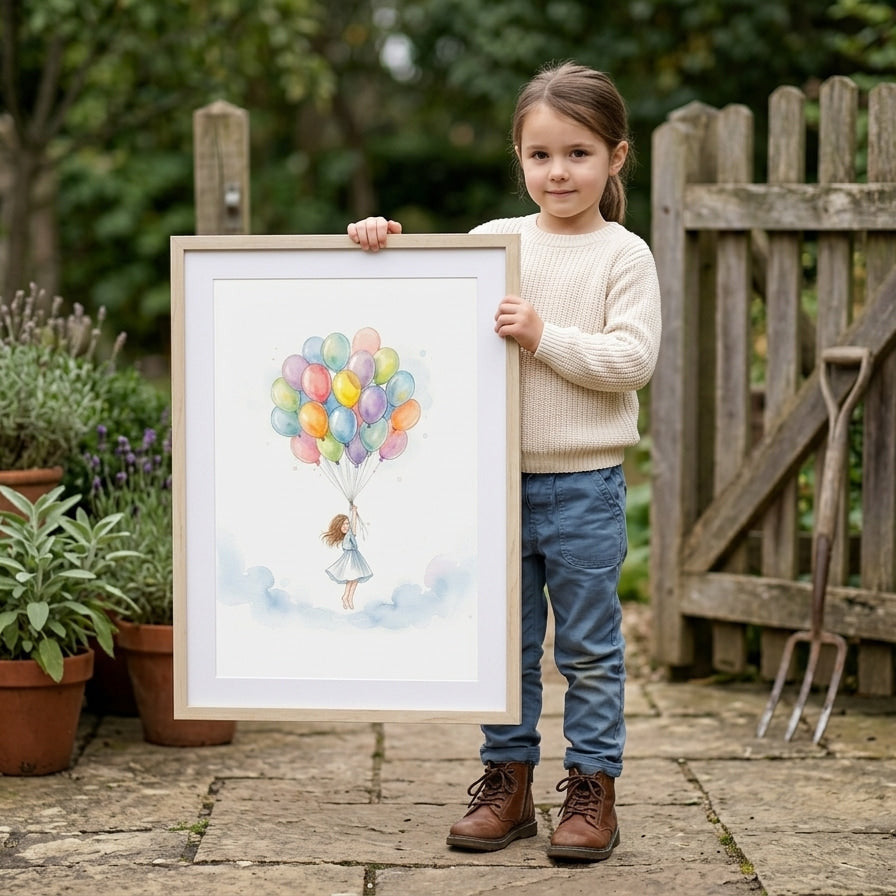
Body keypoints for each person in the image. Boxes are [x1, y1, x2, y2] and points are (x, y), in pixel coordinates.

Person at [348, 61, 661, 863]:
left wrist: (542, 334)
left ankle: (592, 789)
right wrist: (378, 244)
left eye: (579, 153)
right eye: (542, 155)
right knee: (505, 646)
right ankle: (508, 782)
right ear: (519, 158)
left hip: (584, 485)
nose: (559, 172)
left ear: (616, 157)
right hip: (491, 486)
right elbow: (422, 299)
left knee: (588, 648)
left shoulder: (623, 256)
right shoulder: (495, 244)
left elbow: (632, 360)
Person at [322, 504, 372, 609]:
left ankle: (348, 597)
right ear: (338, 526)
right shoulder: (347, 535)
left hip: (355, 556)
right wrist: (353, 512)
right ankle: (346, 597)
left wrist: (354, 512)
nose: (346, 526)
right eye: (343, 524)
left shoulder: (350, 532)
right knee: (352, 578)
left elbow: (353, 526)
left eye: (347, 524)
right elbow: (351, 530)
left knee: (355, 579)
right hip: (350, 558)